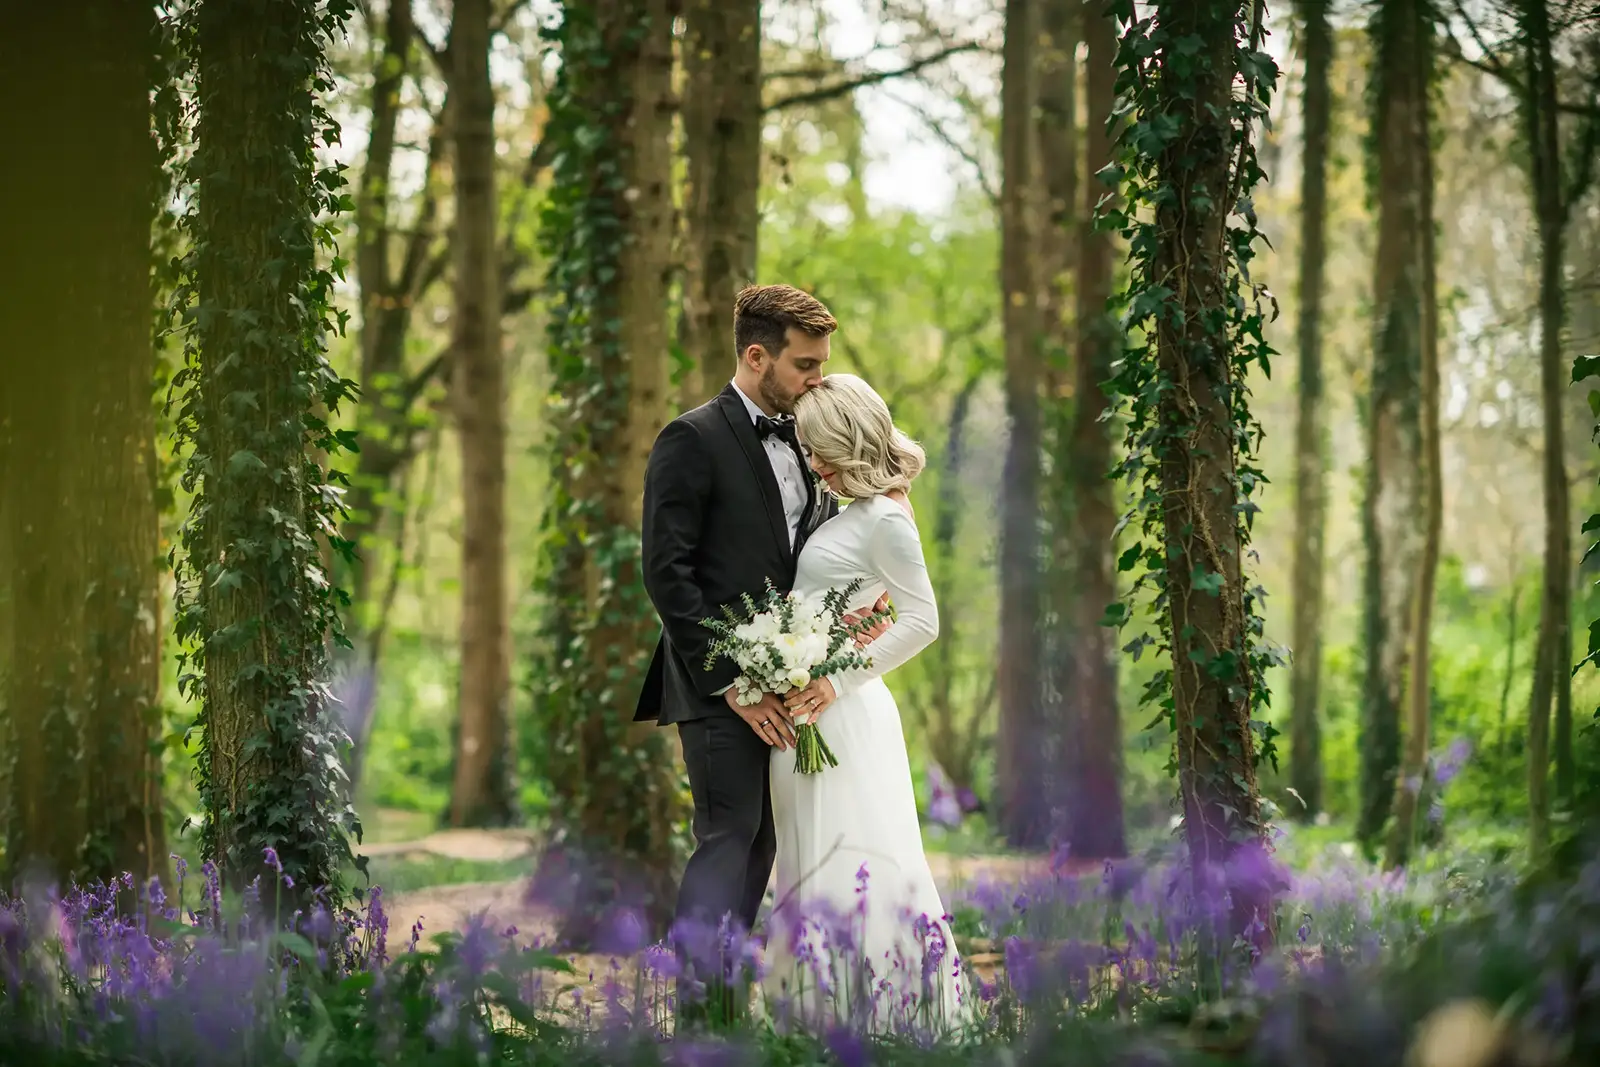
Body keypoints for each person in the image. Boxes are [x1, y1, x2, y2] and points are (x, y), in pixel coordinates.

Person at [635, 284, 887, 1019]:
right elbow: (667, 572)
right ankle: (693, 1013)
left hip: (792, 679)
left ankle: (726, 1002)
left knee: (762, 845)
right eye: (806, 365)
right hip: (715, 686)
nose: (818, 379)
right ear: (756, 355)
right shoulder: (691, 438)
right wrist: (733, 681)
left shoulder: (811, 444)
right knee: (727, 834)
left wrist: (835, 639)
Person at [760, 372, 969, 1034]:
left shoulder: (885, 519)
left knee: (851, 859)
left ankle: (875, 1018)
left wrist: (836, 678)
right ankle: (811, 1014)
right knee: (807, 858)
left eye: (821, 450)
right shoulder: (854, 512)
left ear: (849, 444)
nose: (814, 463)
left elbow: (923, 620)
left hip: (844, 716)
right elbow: (851, 600)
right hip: (810, 713)